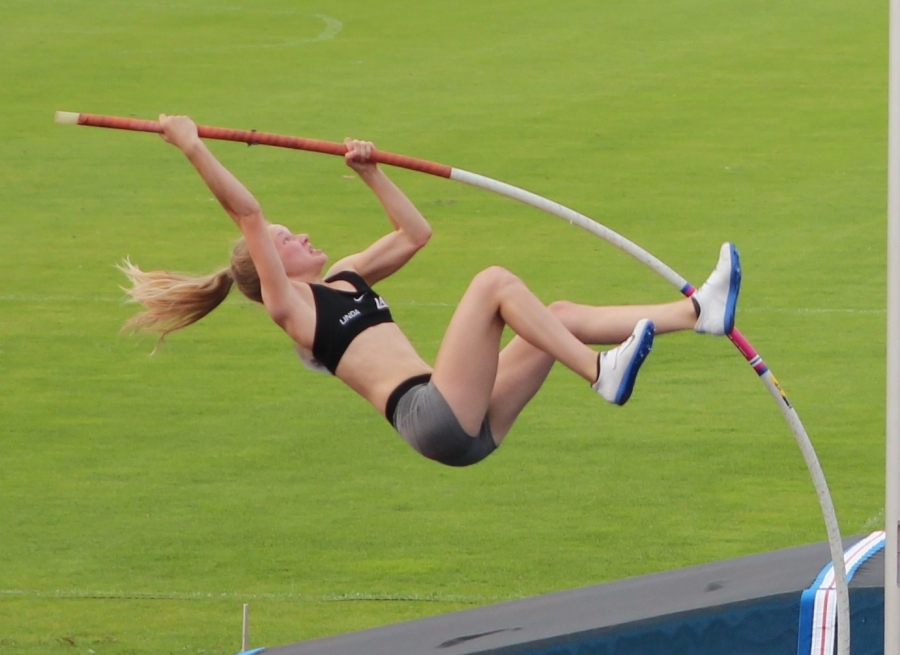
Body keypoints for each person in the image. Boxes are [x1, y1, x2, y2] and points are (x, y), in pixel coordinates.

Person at [119, 114, 741, 467]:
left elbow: (415, 233)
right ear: (271, 265)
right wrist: (193, 147)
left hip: (465, 421)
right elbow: (249, 215)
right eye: (288, 238)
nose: (301, 235)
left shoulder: (346, 276)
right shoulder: (293, 309)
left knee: (556, 314)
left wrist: (371, 173)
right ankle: (599, 373)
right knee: (494, 284)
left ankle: (697, 313)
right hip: (432, 415)